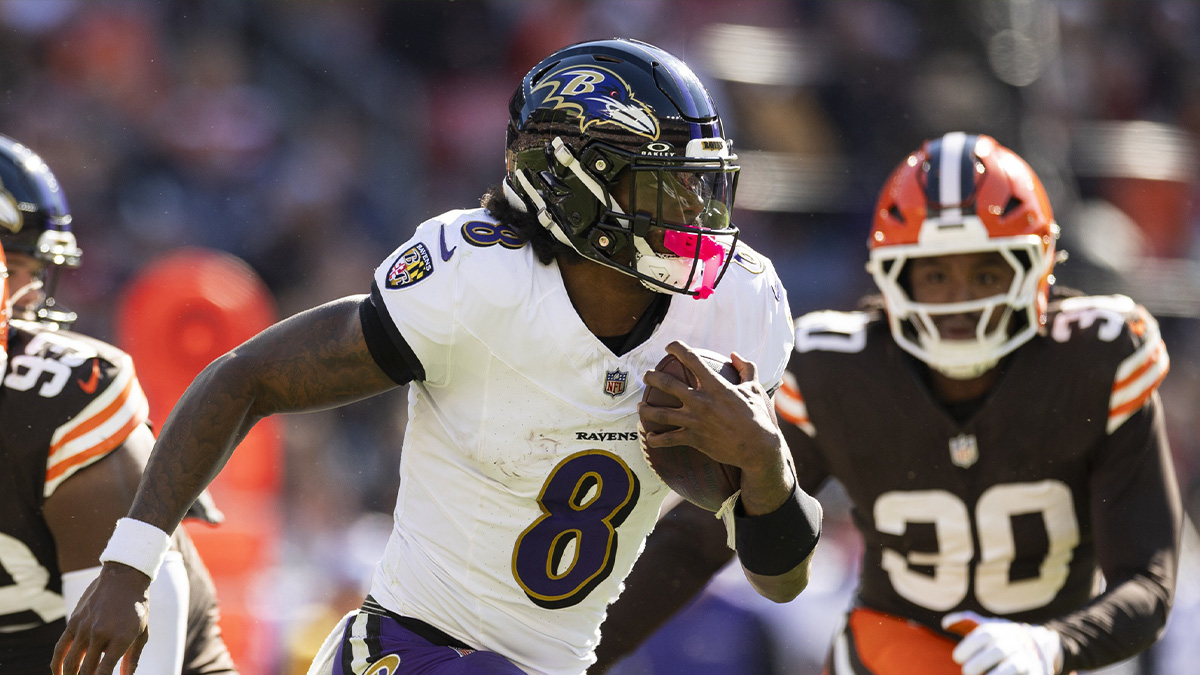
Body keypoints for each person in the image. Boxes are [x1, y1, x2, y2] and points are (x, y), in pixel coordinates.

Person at [53, 38, 821, 675]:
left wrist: (765, 466)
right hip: (406, 650)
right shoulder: (480, 283)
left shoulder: (737, 306)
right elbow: (245, 376)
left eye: (699, 185)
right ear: (570, 183)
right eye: (665, 189)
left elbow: (782, 579)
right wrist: (129, 566)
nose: (695, 215)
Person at [596, 132, 1183, 675]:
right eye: (934, 277)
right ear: (891, 277)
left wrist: (1053, 644)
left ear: (1040, 269)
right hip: (893, 650)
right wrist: (574, 657)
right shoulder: (839, 371)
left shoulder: (1095, 359)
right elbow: (702, 537)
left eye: (985, 275)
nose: (960, 303)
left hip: (1052, 652)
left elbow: (1149, 583)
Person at [0, 135, 238, 674]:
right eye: (14, 267)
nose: (28, 295)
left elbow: (146, 660)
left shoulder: (61, 400)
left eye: (28, 270)